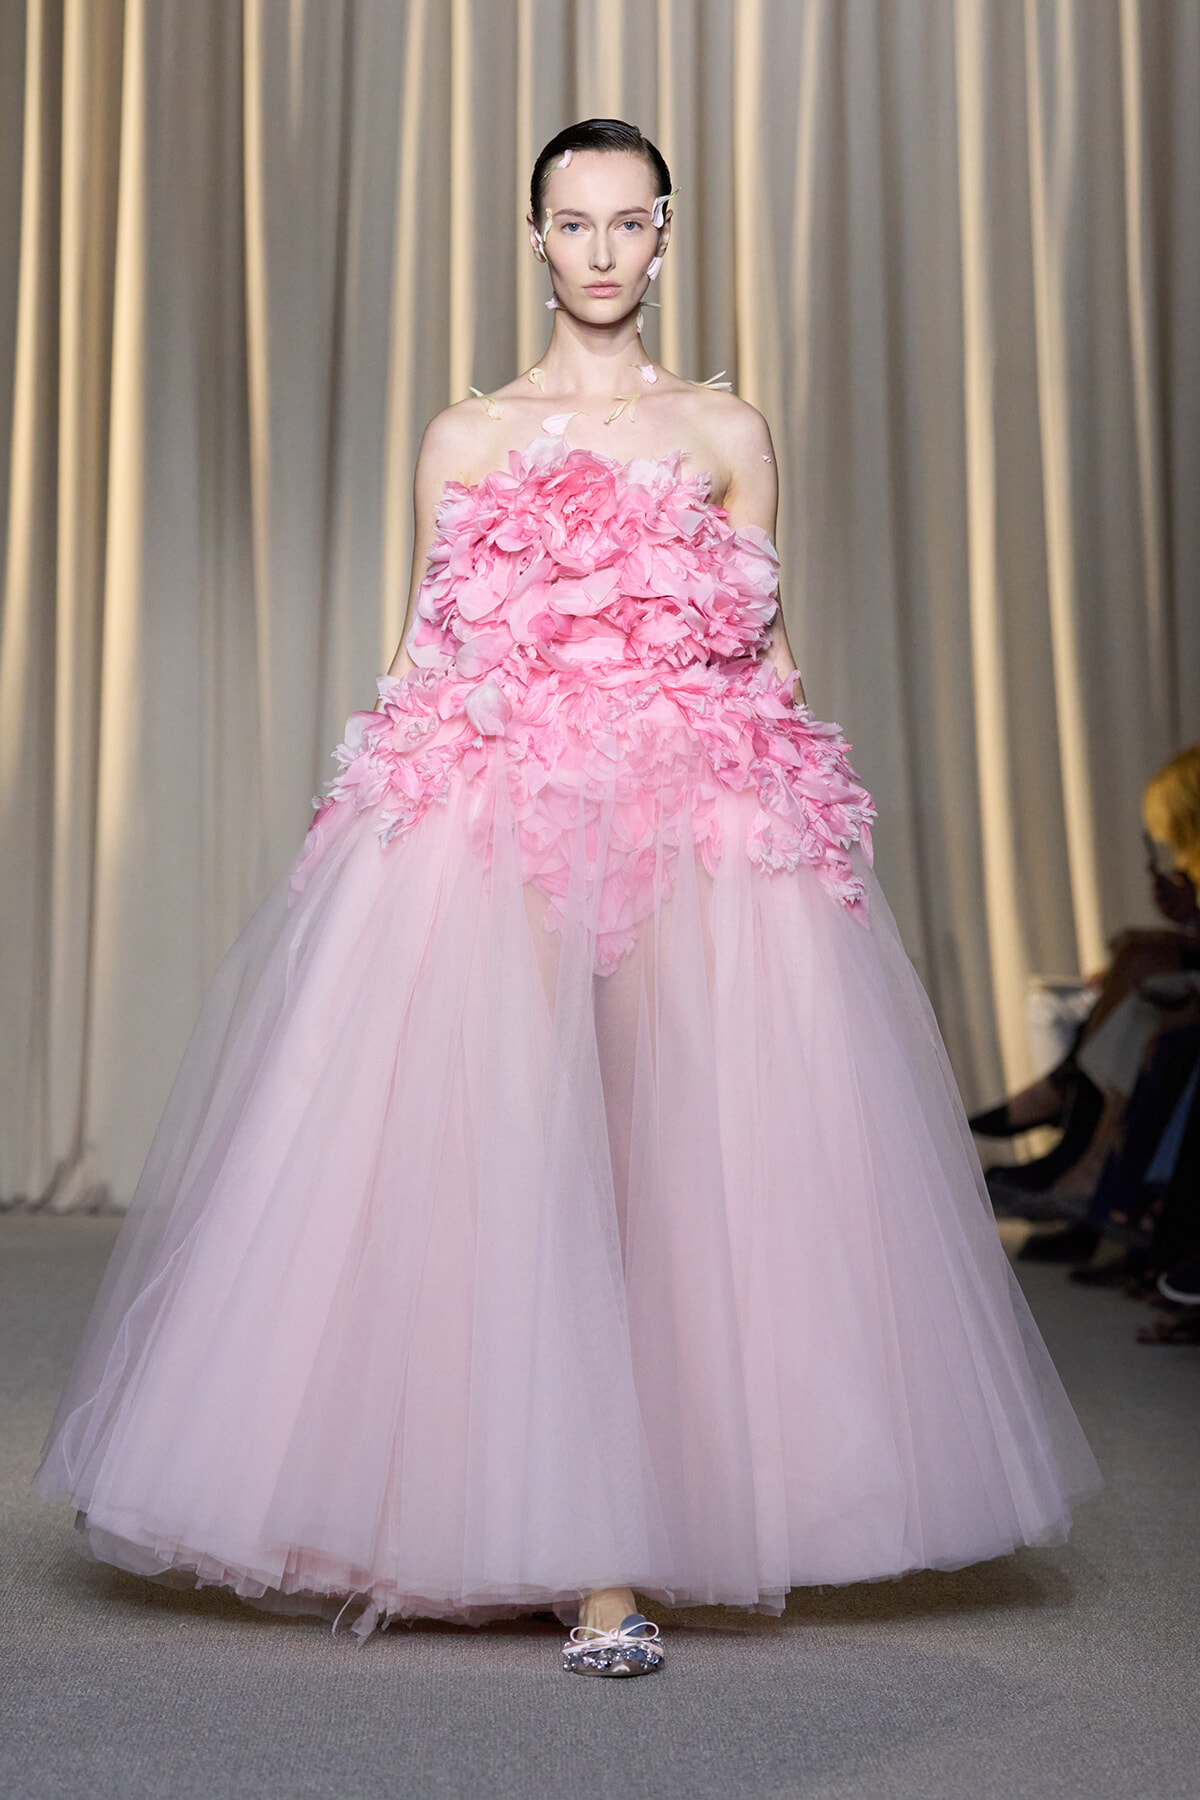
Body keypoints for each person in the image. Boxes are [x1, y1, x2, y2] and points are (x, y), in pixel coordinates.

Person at [34, 119, 1101, 1681]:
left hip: (693, 831)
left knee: (677, 1164)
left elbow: (769, 651)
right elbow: (424, 649)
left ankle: (627, 1535)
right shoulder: (466, 439)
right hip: (500, 829)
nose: (601, 252)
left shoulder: (728, 427)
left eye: (628, 223)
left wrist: (806, 833)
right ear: (533, 239)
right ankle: (552, 1545)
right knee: (507, 1161)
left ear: (667, 239)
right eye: (572, 222)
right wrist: (368, 831)